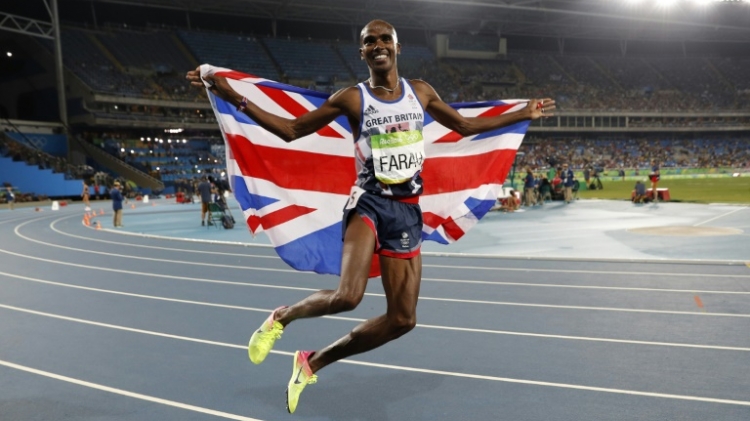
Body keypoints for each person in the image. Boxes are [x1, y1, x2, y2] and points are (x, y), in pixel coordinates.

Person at [187, 19, 554, 414]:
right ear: (361, 52)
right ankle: (283, 316)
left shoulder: (422, 93)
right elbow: (292, 130)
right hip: (368, 205)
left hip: (407, 212)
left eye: (384, 39)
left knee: (403, 320)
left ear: (397, 47)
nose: (377, 45)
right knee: (348, 296)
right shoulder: (353, 98)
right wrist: (231, 95)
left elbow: (465, 126)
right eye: (369, 42)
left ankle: (311, 362)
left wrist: (522, 114)